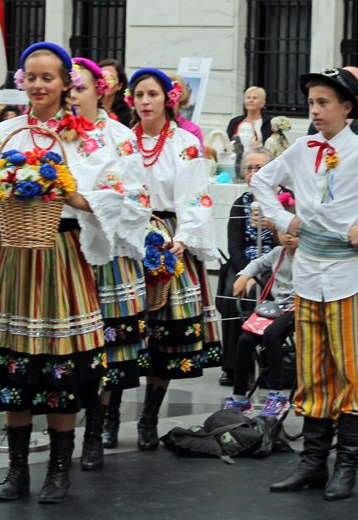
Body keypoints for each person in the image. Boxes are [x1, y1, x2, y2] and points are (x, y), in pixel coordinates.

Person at [251, 67, 358, 500]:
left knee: (351, 369)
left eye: (324, 102)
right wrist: (284, 217)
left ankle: (346, 466)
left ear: (347, 108)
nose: (315, 110)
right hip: (309, 274)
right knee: (313, 368)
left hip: (350, 275)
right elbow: (260, 180)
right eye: (312, 102)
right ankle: (313, 463)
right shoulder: (302, 148)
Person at [0, 42, 129, 504]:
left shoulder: (88, 137)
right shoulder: (5, 133)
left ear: (66, 84)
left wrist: (74, 196)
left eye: (48, 78)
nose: (38, 85)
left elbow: (114, 193)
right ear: (21, 81)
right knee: (13, 362)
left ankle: (59, 469)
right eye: (31, 77)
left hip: (60, 254)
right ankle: (17, 469)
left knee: (60, 365)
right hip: (13, 254)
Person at [124, 67, 222, 450]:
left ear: (169, 98)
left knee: (163, 338)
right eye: (138, 95)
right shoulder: (122, 141)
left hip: (169, 244)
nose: (145, 101)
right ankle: (110, 415)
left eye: (152, 94)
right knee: (122, 335)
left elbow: (196, 196)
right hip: (128, 242)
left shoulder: (184, 143)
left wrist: (181, 238)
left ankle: (149, 417)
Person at [70, 57, 150, 467]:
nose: (72, 95)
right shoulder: (56, 134)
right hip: (68, 254)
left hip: (110, 254)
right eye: (69, 89)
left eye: (79, 87)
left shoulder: (120, 136)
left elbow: (136, 197)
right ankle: (70, 427)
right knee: (69, 345)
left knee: (111, 348)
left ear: (99, 90)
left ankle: (98, 429)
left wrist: (90, 202)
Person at [219, 147, 278, 386]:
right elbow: (234, 246)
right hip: (245, 261)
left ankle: (266, 362)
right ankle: (233, 366)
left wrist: (273, 226)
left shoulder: (284, 200)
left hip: (275, 262)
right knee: (233, 290)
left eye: (260, 168)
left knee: (257, 294)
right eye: (249, 168)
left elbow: (289, 241)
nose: (253, 173)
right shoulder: (240, 204)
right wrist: (248, 271)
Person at [224, 228, 298, 418]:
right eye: (285, 232)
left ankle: (277, 393)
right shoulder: (277, 253)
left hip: (299, 307)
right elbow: (257, 264)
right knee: (246, 339)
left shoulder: (308, 256)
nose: (289, 237)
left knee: (271, 334)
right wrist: (243, 276)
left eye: (296, 233)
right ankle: (240, 396)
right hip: (275, 307)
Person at [167, 73, 204, 148]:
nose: (168, 103)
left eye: (173, 98)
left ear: (181, 100)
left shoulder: (193, 130)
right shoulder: (148, 127)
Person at [98, 59, 131, 127]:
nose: (104, 82)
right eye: (101, 77)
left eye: (110, 78)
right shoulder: (87, 108)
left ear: (120, 86)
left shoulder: (127, 115)